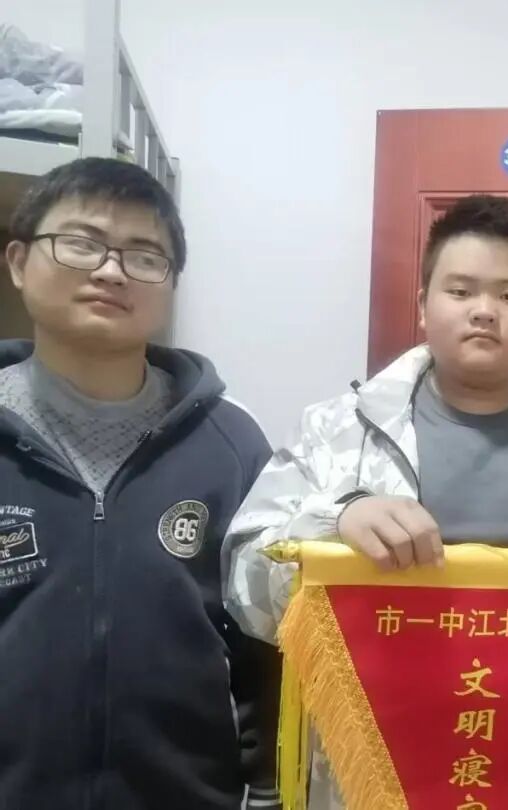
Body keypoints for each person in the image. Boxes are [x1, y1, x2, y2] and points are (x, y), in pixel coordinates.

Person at [224, 194, 508, 810]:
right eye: (461, 291)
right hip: (374, 775)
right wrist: (335, 521)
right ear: (423, 305)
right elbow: (244, 587)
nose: (484, 311)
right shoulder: (339, 430)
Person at [0, 158, 281, 809]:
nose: (111, 271)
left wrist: (267, 790)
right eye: (81, 243)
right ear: (18, 262)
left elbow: (264, 645)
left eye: (144, 256)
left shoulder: (232, 444)